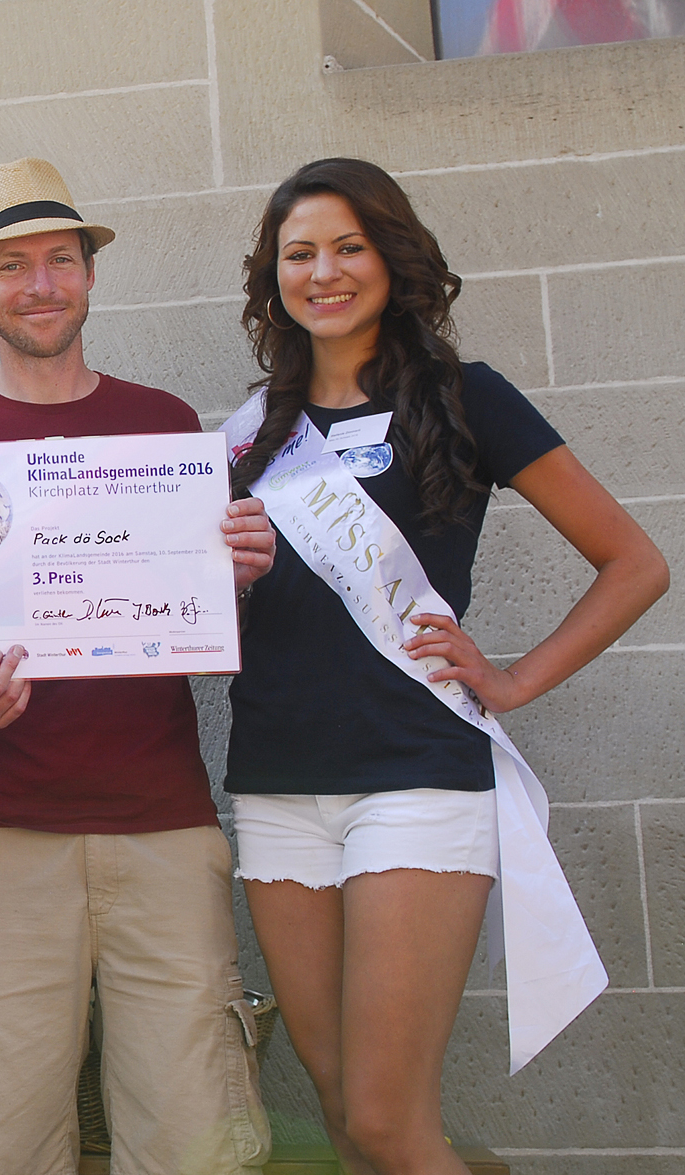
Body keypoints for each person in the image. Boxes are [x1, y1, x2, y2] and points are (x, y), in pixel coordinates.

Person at [222, 157, 668, 1175]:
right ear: (274, 277)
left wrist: (514, 678)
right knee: (342, 1109)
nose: (324, 272)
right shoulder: (253, 432)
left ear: (393, 258)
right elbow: (225, 616)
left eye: (348, 247)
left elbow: (635, 563)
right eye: (300, 253)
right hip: (278, 781)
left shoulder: (469, 398)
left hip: (416, 776)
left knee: (389, 1121)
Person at [0, 157, 277, 1175]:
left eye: (60, 259)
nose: (41, 284)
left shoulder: (166, 428)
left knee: (193, 1143)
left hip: (164, 829)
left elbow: (199, 624)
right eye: (12, 266)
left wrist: (236, 572)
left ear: (91, 274)